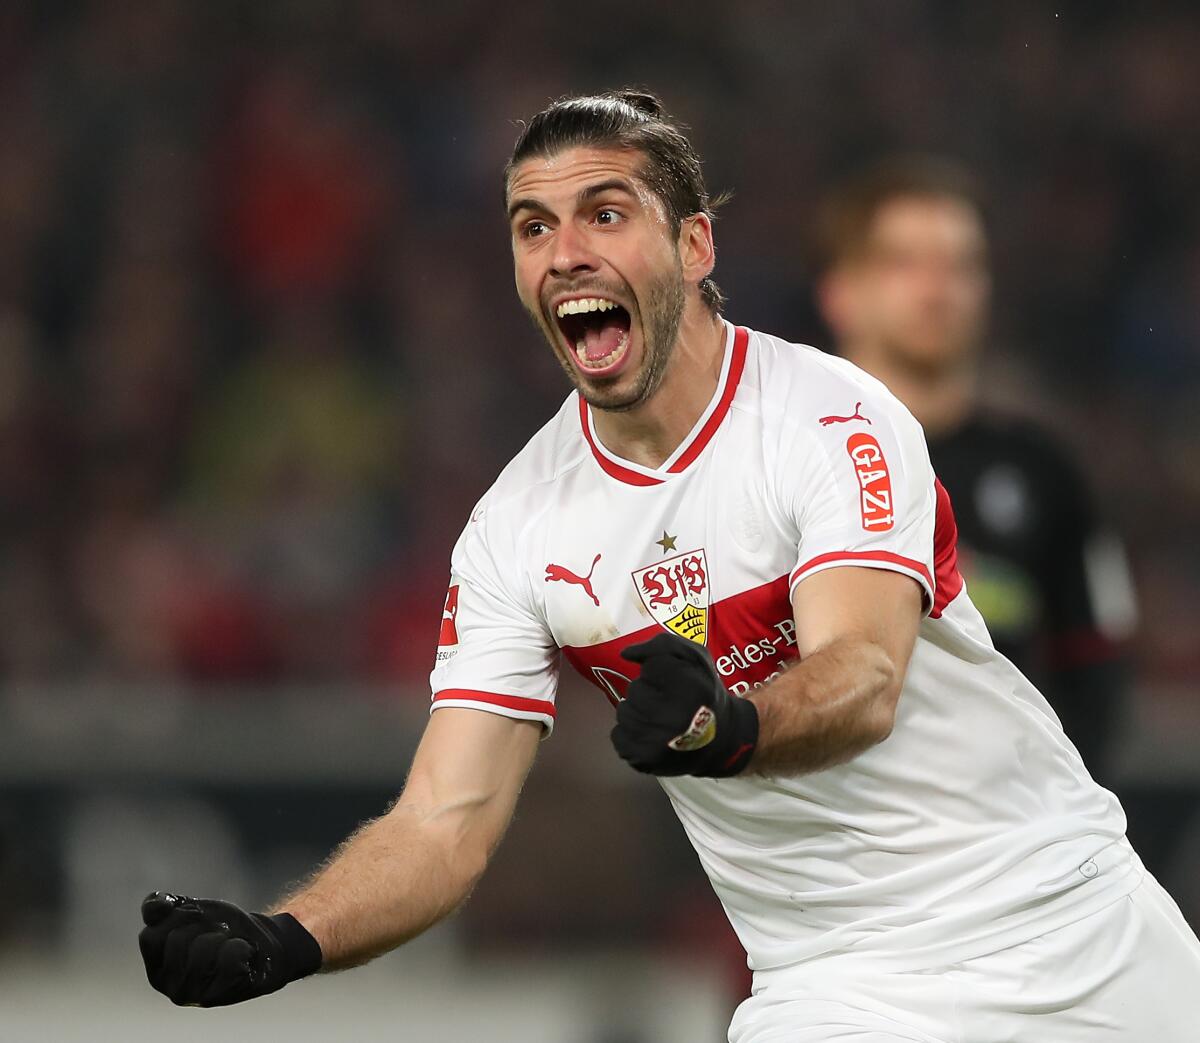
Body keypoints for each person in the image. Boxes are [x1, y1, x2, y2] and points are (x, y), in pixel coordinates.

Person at [138, 90, 1200, 1041]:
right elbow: (443, 822)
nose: (565, 254)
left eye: (604, 214)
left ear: (696, 246)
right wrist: (288, 936)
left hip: (1077, 920)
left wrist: (728, 725)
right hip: (844, 986)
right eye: (532, 226)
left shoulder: (832, 415)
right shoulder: (518, 527)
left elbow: (865, 675)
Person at [812, 157, 1138, 788]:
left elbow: (1096, 656)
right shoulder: (782, 465)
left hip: (1011, 844)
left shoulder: (1043, 471)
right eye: (903, 263)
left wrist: (1065, 809)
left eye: (961, 265)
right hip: (834, 845)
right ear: (840, 292)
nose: (937, 289)